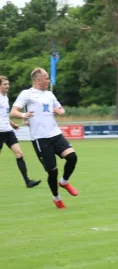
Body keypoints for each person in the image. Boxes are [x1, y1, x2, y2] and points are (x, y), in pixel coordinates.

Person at [11, 67, 78, 209]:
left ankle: (64, 182)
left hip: (55, 134)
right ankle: (56, 197)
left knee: (72, 157)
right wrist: (23, 115)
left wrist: (59, 111)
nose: (49, 80)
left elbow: (61, 109)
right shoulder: (27, 94)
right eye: (47, 78)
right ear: (38, 80)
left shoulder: (49, 94)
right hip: (40, 139)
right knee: (52, 171)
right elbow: (13, 111)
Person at [0, 75, 41, 188]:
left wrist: (12, 124)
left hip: (8, 131)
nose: (7, 86)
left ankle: (27, 182)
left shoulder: (5, 97)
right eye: (5, 84)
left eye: (8, 84)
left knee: (19, 154)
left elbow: (3, 115)